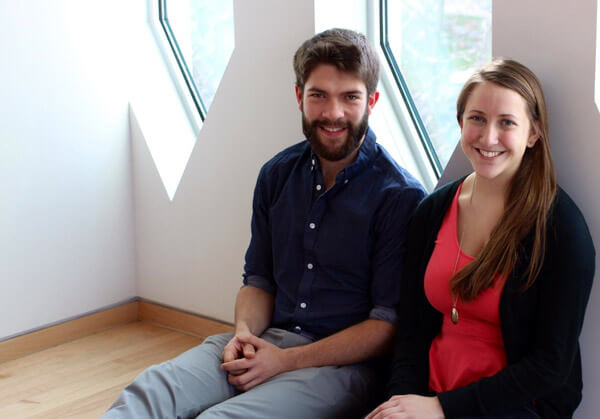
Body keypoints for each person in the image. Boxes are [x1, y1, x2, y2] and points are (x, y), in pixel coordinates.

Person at [103, 28, 426, 419]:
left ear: (371, 101)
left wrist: (286, 361)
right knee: (149, 391)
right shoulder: (276, 175)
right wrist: (242, 334)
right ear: (299, 97)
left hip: (342, 367)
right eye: (318, 95)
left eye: (350, 97)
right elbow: (258, 280)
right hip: (267, 341)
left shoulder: (400, 196)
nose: (333, 113)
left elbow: (385, 326)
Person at [367, 58, 595, 419]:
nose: (488, 137)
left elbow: (551, 366)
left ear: (533, 133)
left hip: (514, 407)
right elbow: (411, 333)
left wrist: (442, 409)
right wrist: (402, 403)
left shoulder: (562, 229)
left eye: (507, 122)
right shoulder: (431, 212)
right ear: (460, 123)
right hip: (427, 395)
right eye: (477, 118)